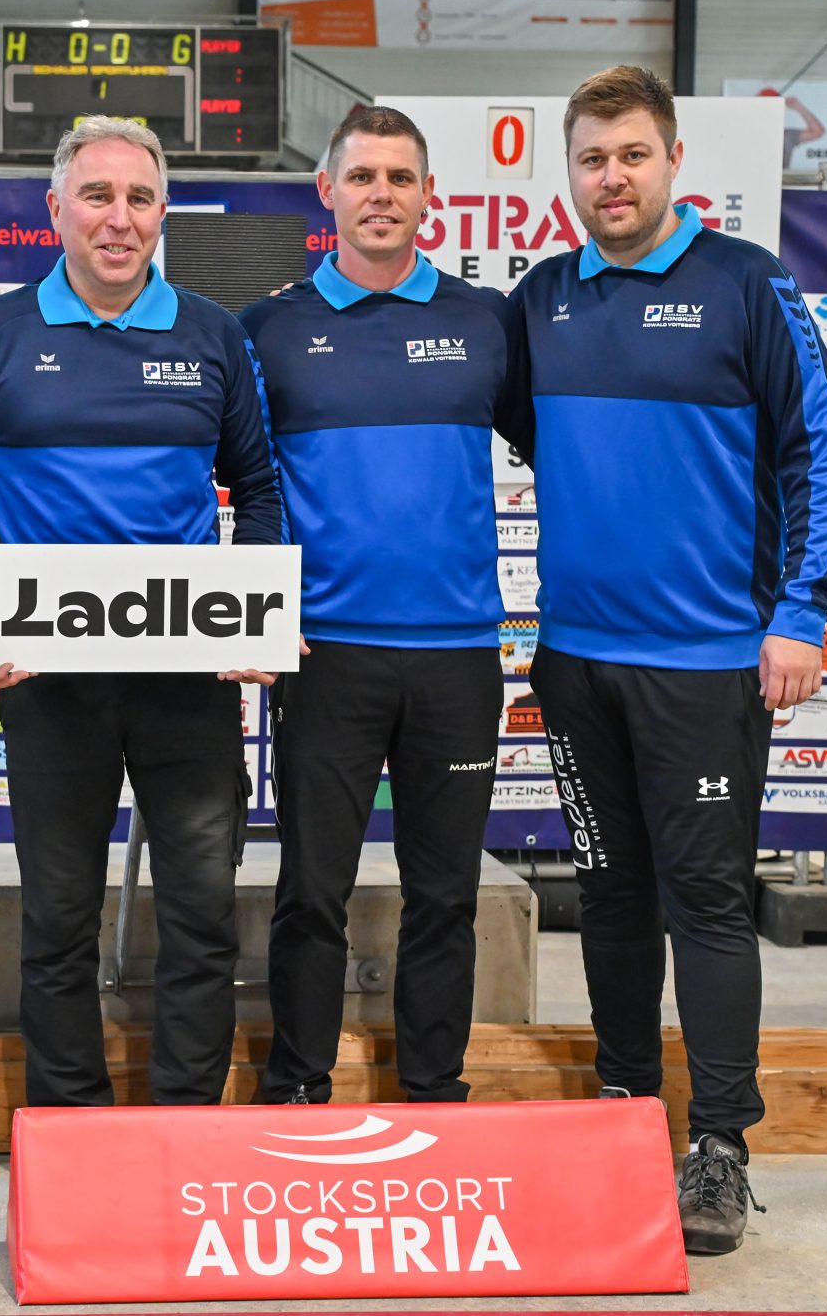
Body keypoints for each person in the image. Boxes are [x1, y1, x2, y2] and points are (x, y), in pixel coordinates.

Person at [509, 65, 827, 1254]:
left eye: (632, 155)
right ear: (569, 173)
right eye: (592, 158)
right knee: (607, 892)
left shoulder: (744, 285)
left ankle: (718, 1145)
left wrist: (799, 611)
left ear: (671, 162)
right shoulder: (540, 296)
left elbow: (815, 451)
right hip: (573, 661)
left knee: (704, 899)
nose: (612, 177)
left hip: (705, 664)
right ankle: (620, 1107)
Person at [0, 118, 285, 1109]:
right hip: (48, 681)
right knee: (58, 918)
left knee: (201, 917)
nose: (119, 219)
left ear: (162, 212)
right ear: (57, 209)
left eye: (139, 198)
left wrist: (250, 610)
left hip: (188, 681)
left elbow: (258, 486)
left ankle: (184, 1128)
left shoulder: (212, 334)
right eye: (98, 196)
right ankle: (73, 1130)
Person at [239, 105, 530, 1107]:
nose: (379, 196)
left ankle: (434, 1087)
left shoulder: (484, 322)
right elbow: (223, 477)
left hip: (454, 655)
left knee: (444, 893)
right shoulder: (267, 329)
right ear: (325, 192)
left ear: (427, 196)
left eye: (399, 179)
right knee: (309, 890)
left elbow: (562, 455)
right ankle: (296, 1082)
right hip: (322, 655)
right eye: (360, 177)